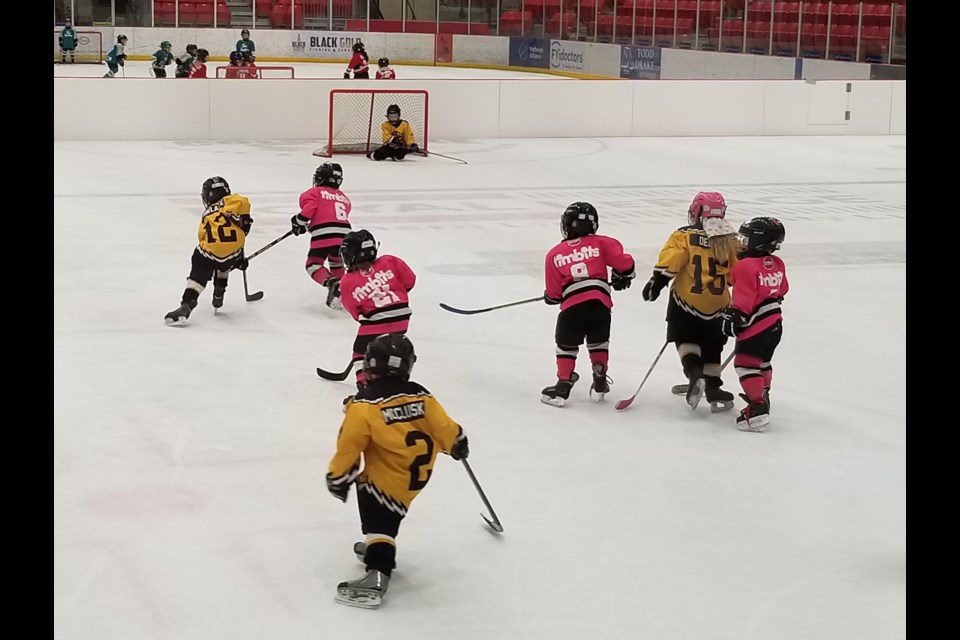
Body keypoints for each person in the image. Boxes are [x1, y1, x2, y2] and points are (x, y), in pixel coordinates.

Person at [327, 333, 469, 610]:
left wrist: (338, 476)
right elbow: (442, 426)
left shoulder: (364, 407)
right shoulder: (420, 393)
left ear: (369, 364)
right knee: (386, 516)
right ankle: (378, 544)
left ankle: (378, 573)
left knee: (380, 520)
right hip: (418, 474)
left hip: (386, 479)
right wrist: (457, 441)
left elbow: (350, 446)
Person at [641, 191, 740, 412]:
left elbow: (673, 260)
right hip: (719, 304)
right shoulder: (732, 239)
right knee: (713, 345)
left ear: (696, 212)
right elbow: (736, 275)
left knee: (685, 339)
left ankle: (695, 373)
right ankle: (714, 387)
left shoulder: (683, 235)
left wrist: (656, 283)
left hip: (685, 302)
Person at [541, 202, 636, 407]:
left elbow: (555, 293)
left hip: (572, 309)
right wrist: (623, 275)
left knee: (566, 345)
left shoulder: (555, 253)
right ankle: (600, 377)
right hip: (600, 305)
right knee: (598, 342)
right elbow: (625, 264)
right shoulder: (602, 243)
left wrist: (551, 297)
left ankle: (563, 384)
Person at [721, 217, 789, 432]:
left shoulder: (744, 266)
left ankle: (757, 407)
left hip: (756, 325)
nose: (742, 242)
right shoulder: (778, 263)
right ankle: (763, 394)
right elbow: (783, 290)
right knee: (763, 362)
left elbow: (743, 298)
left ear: (758, 241)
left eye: (746, 238)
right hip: (775, 323)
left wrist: (734, 316)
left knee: (745, 364)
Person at [164, 177, 253, 325]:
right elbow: (243, 228)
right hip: (233, 253)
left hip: (210, 253)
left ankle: (187, 304)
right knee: (225, 258)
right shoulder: (236, 202)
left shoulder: (207, 213)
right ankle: (220, 288)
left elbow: (203, 237)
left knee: (201, 259)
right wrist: (239, 260)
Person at [338, 230, 417, 390]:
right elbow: (410, 281)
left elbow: (354, 310)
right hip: (402, 318)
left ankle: (364, 383)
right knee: (388, 346)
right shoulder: (389, 261)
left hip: (374, 322)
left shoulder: (348, 280)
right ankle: (394, 375)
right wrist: (396, 294)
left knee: (359, 351)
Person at [290, 163, 352, 309]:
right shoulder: (344, 198)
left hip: (324, 235)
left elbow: (310, 209)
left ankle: (332, 283)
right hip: (346, 235)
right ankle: (342, 291)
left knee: (313, 264)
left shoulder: (312, 193)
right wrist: (310, 226)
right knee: (336, 262)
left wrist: (298, 222)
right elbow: (332, 217)